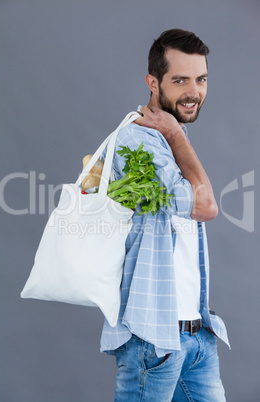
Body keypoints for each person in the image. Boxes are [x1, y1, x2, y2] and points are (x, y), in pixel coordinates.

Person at [100, 29, 230, 401]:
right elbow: (205, 207)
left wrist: (176, 136)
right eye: (180, 80)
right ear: (153, 83)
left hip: (195, 335)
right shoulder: (137, 139)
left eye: (201, 79)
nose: (193, 91)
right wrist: (175, 136)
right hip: (153, 339)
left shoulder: (170, 135)